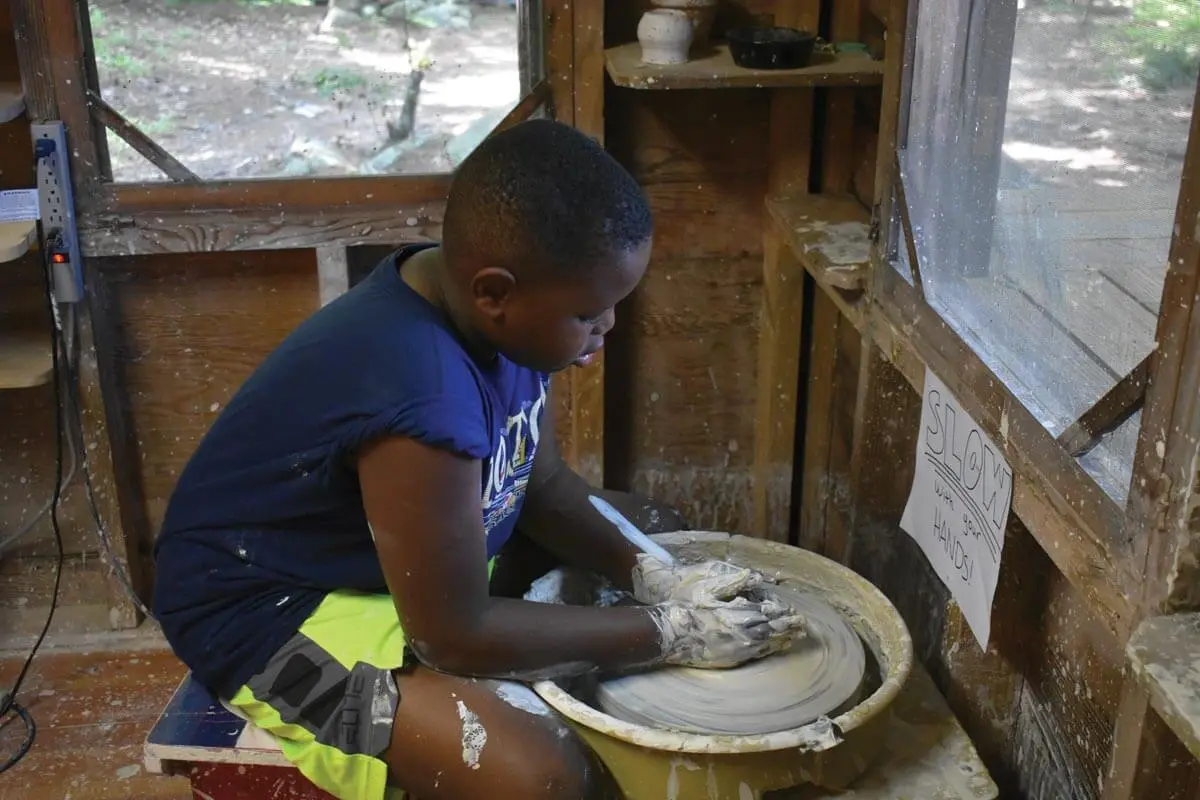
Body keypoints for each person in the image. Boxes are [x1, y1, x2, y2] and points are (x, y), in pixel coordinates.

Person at [152, 119, 805, 800]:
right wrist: (673, 632)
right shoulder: (421, 391)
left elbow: (543, 485)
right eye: (589, 313)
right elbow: (453, 635)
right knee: (541, 779)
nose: (608, 326)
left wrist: (660, 579)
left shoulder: (490, 308)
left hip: (385, 557)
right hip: (268, 609)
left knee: (656, 531)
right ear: (493, 293)